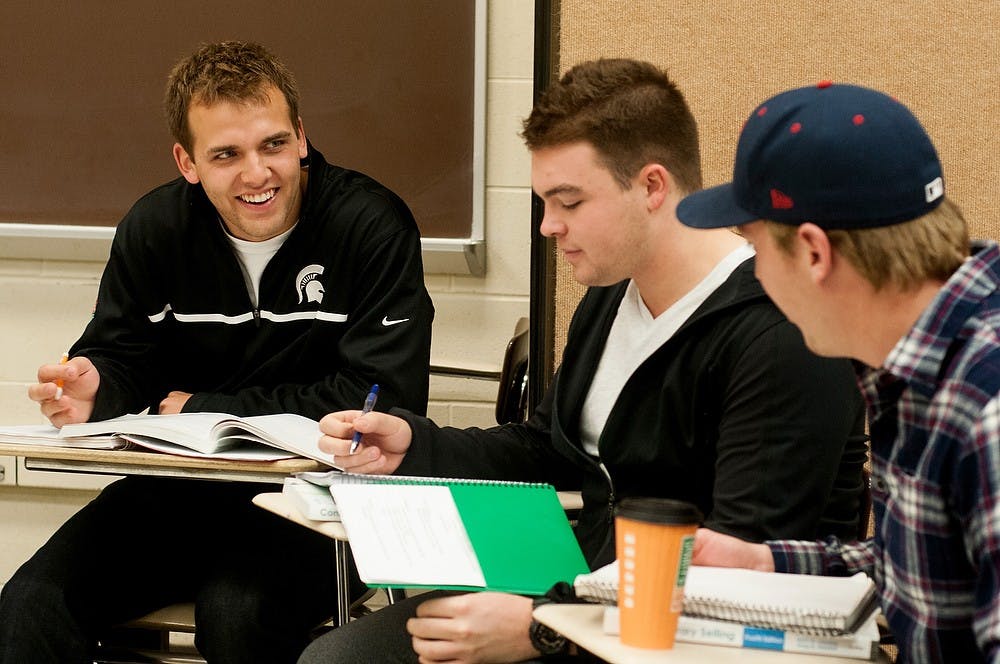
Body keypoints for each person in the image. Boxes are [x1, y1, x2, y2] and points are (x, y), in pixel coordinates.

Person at [297, 58, 869, 664]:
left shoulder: (778, 335)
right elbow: (550, 448)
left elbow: (736, 570)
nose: (549, 226)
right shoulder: (610, 295)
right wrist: (414, 445)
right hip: (584, 595)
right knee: (340, 657)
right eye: (545, 200)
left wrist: (545, 627)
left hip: (692, 635)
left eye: (569, 201)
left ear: (652, 187)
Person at [0, 41, 434, 664]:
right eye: (226, 154)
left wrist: (205, 406)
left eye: (274, 145)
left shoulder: (371, 224)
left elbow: (382, 398)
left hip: (318, 507)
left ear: (302, 138)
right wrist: (96, 388)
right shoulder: (155, 228)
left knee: (237, 616)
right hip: (177, 498)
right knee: (28, 609)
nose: (257, 174)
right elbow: (122, 355)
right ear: (188, 162)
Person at [677, 81, 999, 663]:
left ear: (814, 252)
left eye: (754, 247)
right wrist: (767, 562)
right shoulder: (922, 363)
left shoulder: (988, 409)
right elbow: (932, 561)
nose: (756, 276)